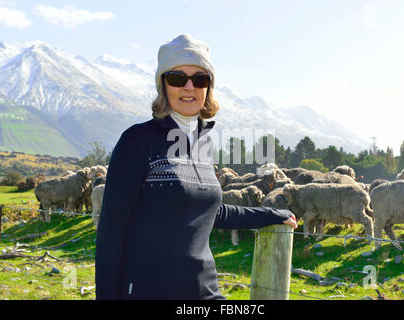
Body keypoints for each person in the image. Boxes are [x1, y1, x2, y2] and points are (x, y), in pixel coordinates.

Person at [95, 34, 298, 300]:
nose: (189, 87)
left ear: (209, 88)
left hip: (204, 293)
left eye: (200, 79)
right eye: (178, 78)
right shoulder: (137, 140)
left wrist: (271, 214)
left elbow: (209, 212)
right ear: (163, 85)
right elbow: (111, 230)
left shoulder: (203, 144)